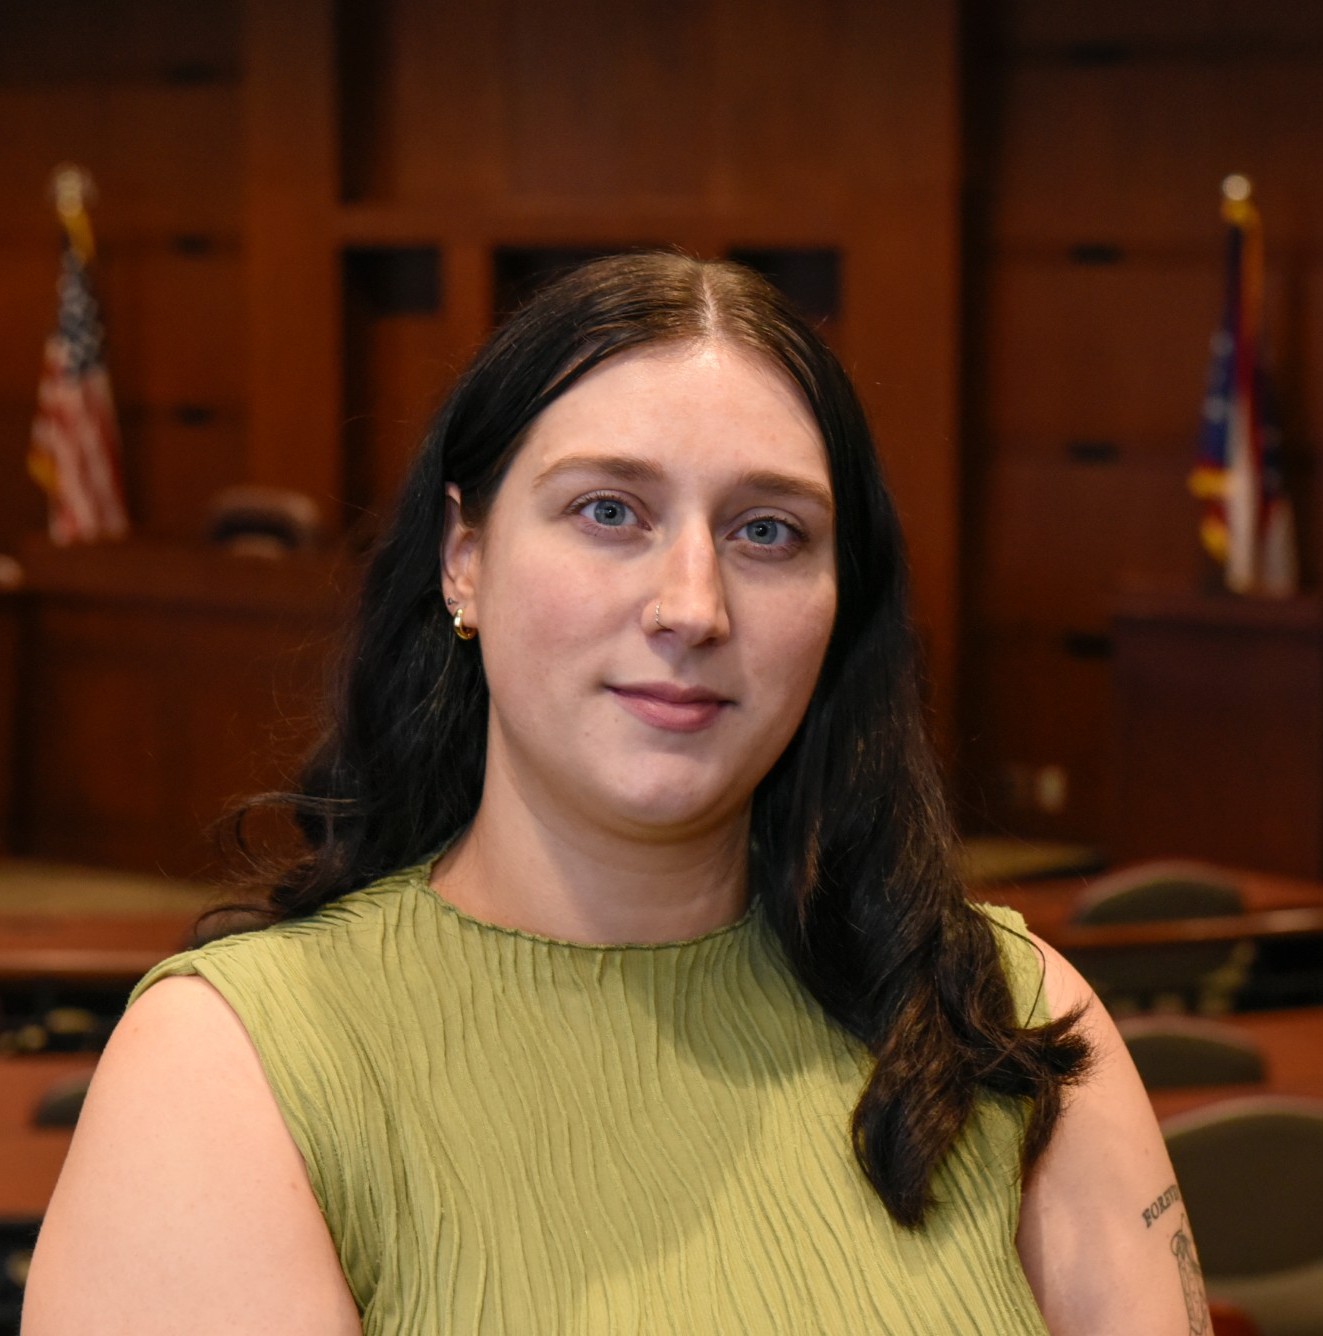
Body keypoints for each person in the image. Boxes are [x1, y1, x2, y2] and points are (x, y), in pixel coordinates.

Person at [23, 253, 1209, 1334]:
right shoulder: (231, 1068)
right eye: (609, 511)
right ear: (464, 555)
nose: (692, 606)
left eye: (767, 531)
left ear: (841, 596)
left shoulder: (1006, 1012)